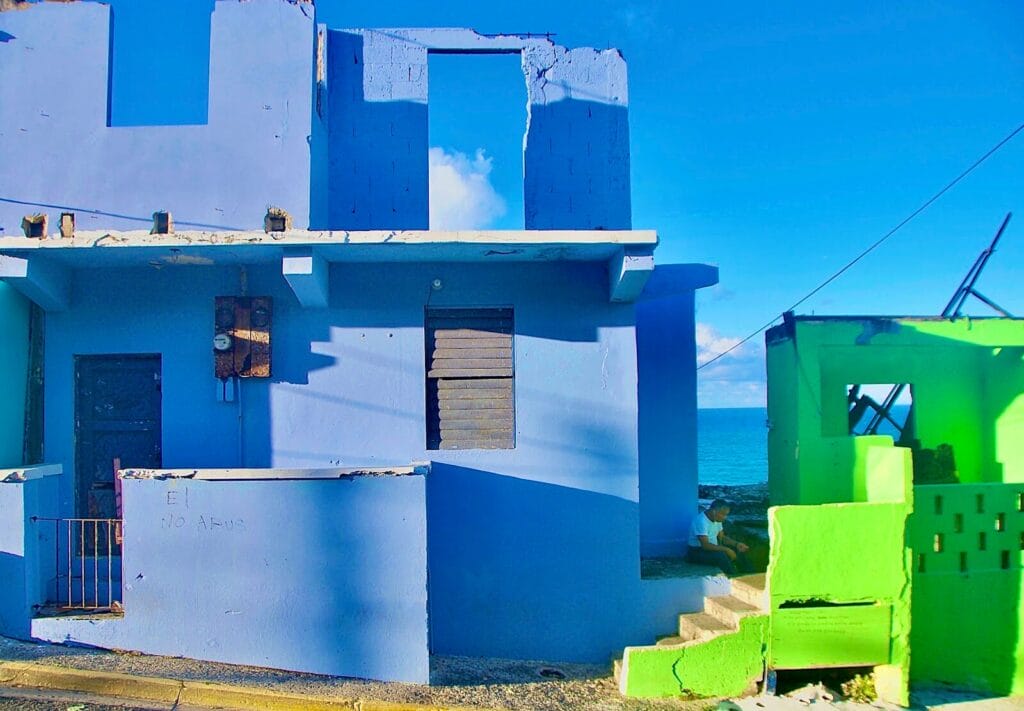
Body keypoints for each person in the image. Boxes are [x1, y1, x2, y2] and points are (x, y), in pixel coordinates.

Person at [686, 499, 751, 575]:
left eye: (726, 515)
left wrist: (736, 544)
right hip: (696, 552)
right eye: (723, 514)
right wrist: (727, 550)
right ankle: (734, 576)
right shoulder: (701, 521)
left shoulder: (717, 520)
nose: (725, 517)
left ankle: (749, 574)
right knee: (721, 556)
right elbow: (705, 546)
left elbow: (722, 538)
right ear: (714, 511)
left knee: (739, 549)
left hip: (712, 549)